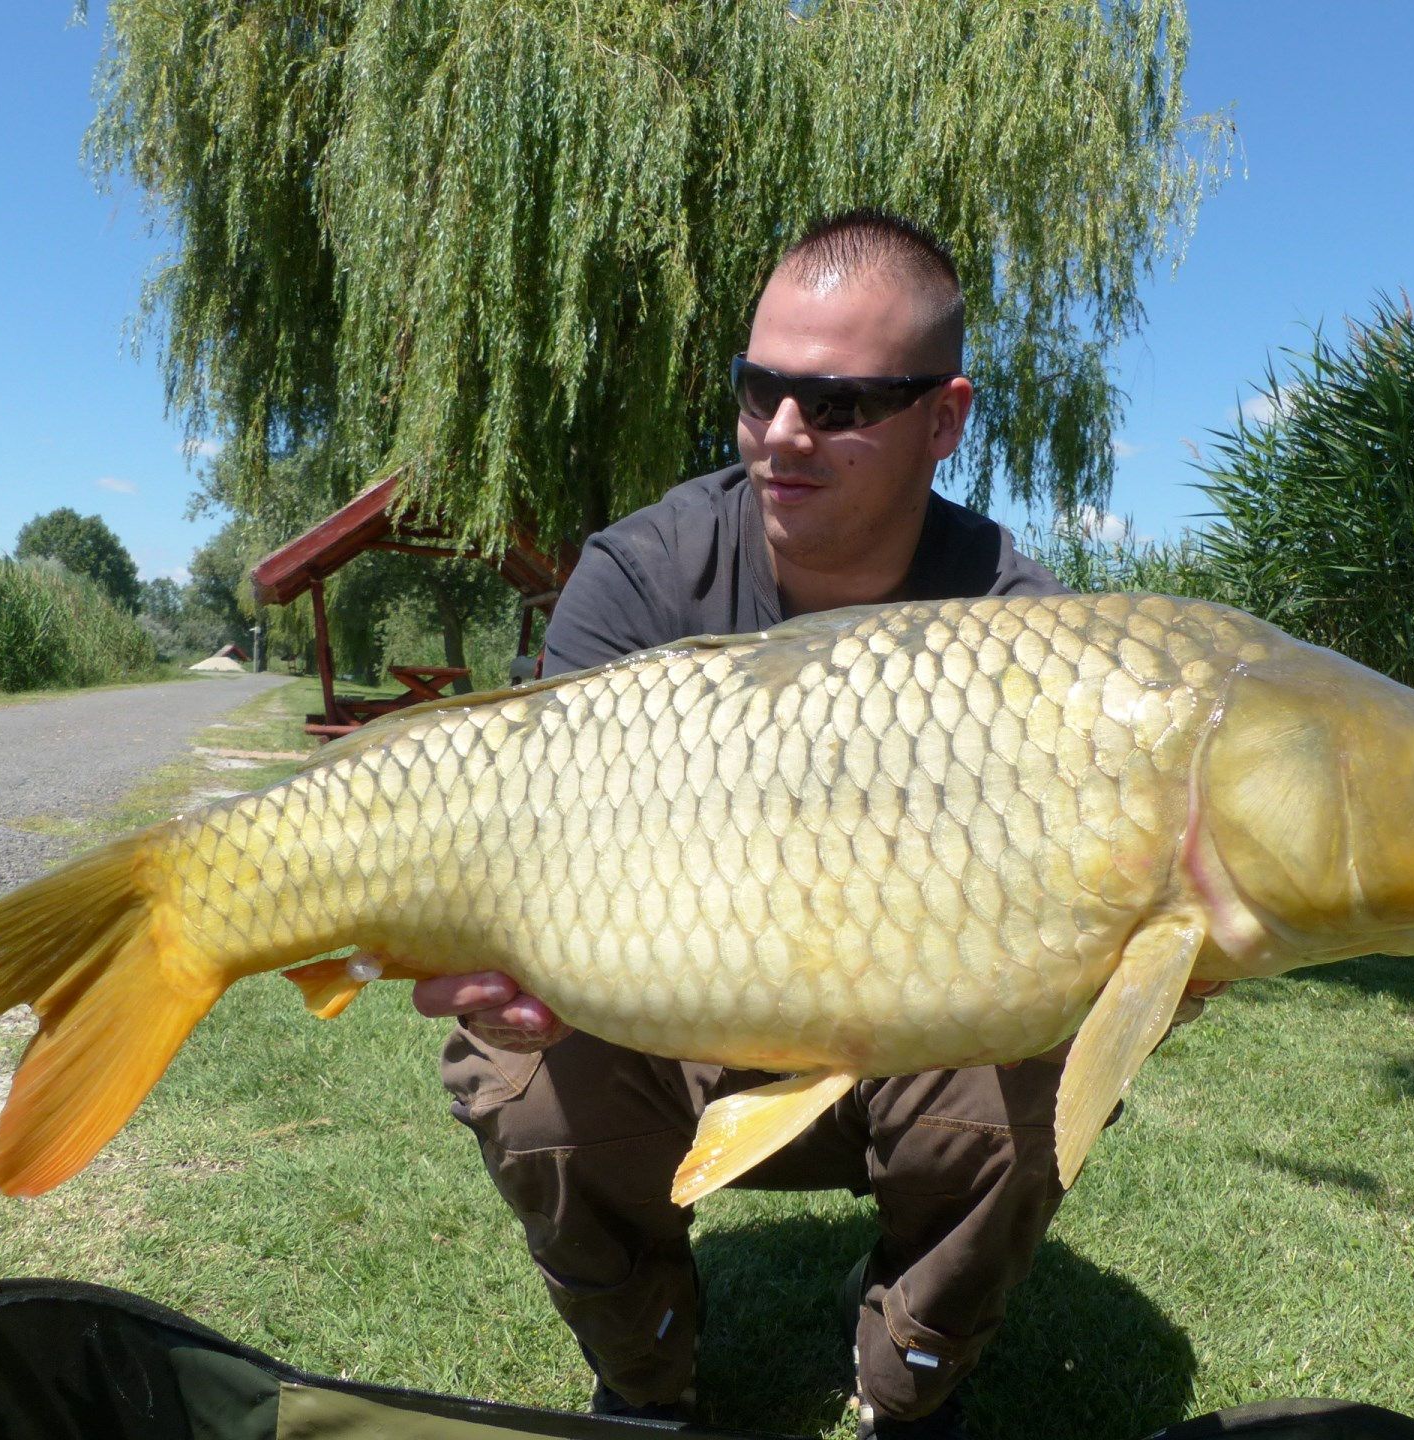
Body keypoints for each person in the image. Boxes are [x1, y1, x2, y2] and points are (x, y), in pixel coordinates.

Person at [408, 209, 1213, 1439]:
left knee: (1046, 1086)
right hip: (663, 1010)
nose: (781, 435)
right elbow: (530, 829)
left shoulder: (1026, 628)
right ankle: (649, 1369)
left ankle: (906, 1372)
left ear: (944, 418)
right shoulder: (637, 576)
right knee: (521, 1080)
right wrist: (504, 954)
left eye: (836, 406)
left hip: (906, 1028)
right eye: (758, 391)